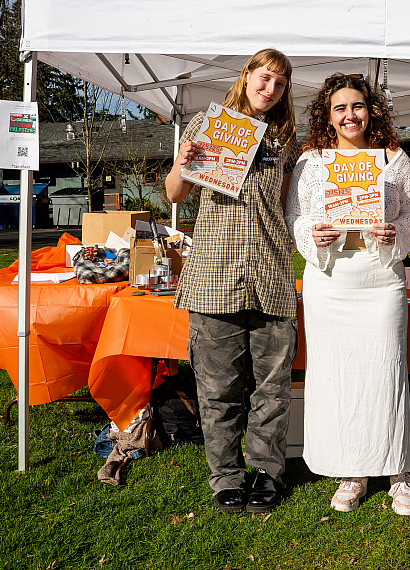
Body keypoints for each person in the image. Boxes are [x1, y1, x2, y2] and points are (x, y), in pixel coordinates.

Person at [285, 73, 410, 516]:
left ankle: (398, 471)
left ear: (371, 111)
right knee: (336, 374)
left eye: (358, 106)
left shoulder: (393, 159)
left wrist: (395, 229)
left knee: (386, 371)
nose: (350, 115)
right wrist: (312, 232)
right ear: (327, 116)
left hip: (379, 278)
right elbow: (294, 215)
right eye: (340, 108)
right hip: (330, 281)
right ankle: (351, 470)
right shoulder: (311, 162)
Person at [165, 48, 299, 515]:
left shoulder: (285, 140)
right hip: (215, 274)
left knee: (272, 389)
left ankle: (266, 472)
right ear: (246, 76)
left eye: (280, 83)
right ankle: (225, 475)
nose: (270, 89)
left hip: (271, 275)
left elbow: (285, 206)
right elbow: (175, 193)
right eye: (264, 78)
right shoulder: (208, 124)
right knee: (218, 388)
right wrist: (182, 161)